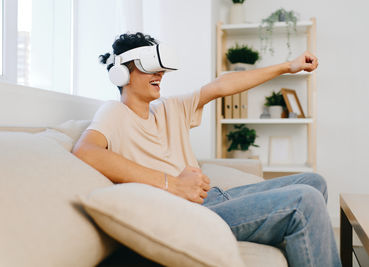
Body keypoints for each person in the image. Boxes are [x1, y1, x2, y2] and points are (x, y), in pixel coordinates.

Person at [72, 32, 341, 267]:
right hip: (191, 214)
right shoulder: (114, 112)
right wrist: (172, 184)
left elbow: (221, 85)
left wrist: (287, 66)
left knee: (314, 182)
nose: (159, 74)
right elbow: (86, 151)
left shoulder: (169, 107)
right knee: (305, 201)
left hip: (215, 198)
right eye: (148, 67)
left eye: (160, 67)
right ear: (121, 72)